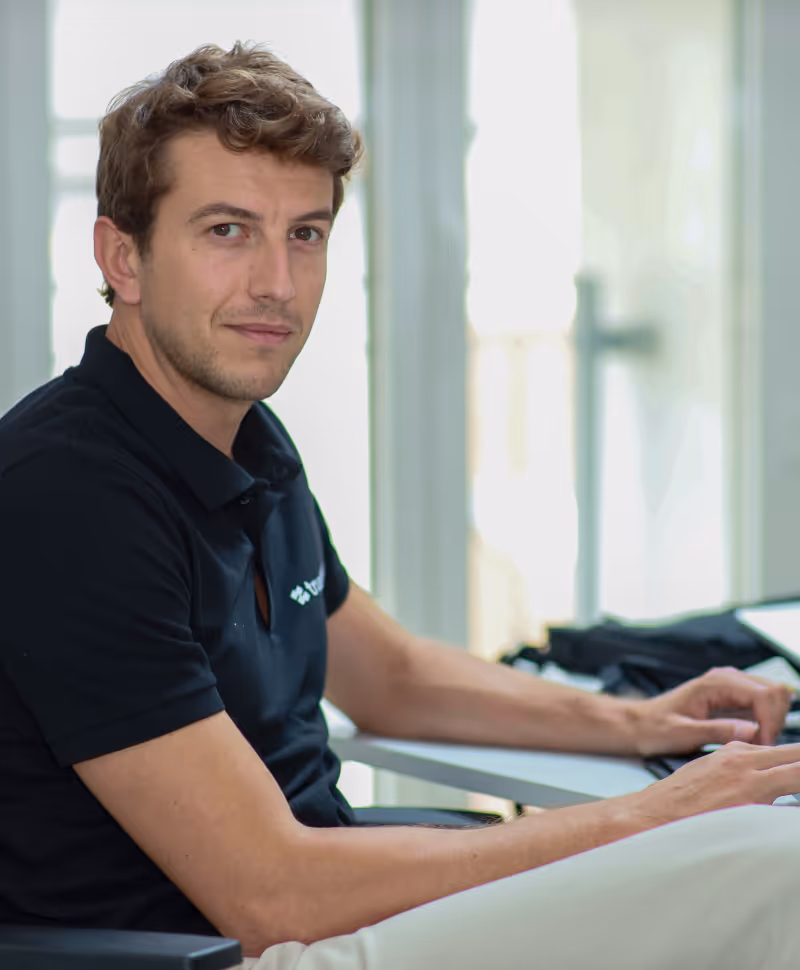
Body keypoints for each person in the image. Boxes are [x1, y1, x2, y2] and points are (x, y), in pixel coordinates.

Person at [1, 42, 800, 970]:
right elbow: (271, 891)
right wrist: (654, 815)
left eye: (305, 233)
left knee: (738, 847)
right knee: (768, 863)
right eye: (227, 231)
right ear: (122, 257)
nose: (277, 284)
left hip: (318, 896)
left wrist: (654, 721)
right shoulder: (66, 496)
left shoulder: (247, 439)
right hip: (235, 950)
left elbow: (393, 679)